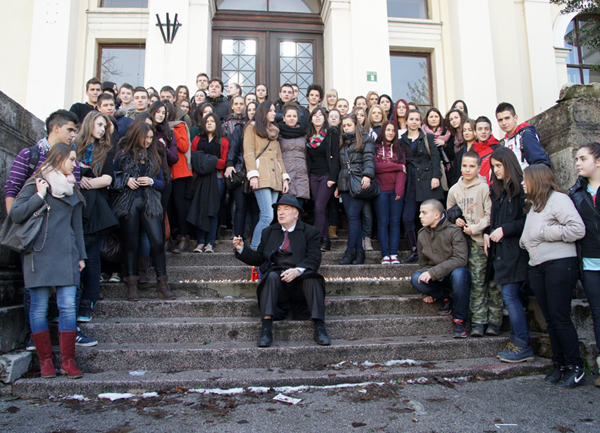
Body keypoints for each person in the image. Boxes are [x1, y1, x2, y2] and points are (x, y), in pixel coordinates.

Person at [4, 109, 94, 351]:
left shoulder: (71, 177)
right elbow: (13, 192)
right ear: (56, 128)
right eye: (71, 130)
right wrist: (23, 229)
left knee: (66, 302)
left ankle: (68, 350)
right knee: (37, 302)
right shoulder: (32, 158)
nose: (74, 135)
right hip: (37, 242)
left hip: (65, 247)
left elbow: (75, 220)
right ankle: (39, 346)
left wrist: (81, 255)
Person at [11, 143, 86, 379]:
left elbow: (77, 226)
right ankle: (45, 361)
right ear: (59, 158)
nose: (75, 165)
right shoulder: (36, 183)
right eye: (71, 159)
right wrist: (39, 196)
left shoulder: (72, 189)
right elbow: (16, 214)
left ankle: (68, 361)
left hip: (67, 253)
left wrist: (81, 255)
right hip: (38, 251)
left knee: (68, 305)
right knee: (39, 307)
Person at [233, 194, 330, 347]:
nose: (281, 213)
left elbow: (314, 258)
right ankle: (266, 329)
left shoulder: (310, 232)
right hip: (278, 286)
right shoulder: (268, 232)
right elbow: (260, 258)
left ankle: (320, 328)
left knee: (313, 278)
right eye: (279, 209)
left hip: (300, 285)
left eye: (286, 209)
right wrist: (241, 249)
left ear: (296, 213)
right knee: (270, 275)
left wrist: (298, 271)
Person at [520, 164, 585, 388]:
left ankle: (576, 367)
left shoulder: (559, 199)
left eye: (525, 179)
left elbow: (577, 229)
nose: (522, 183)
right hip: (537, 265)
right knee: (549, 319)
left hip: (559, 264)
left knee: (560, 317)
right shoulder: (534, 204)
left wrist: (542, 233)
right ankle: (560, 364)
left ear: (537, 180)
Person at [113, 122, 175, 301]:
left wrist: (152, 181)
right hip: (130, 201)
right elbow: (112, 178)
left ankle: (162, 284)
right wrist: (126, 180)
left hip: (151, 202)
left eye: (150, 138)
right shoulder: (123, 154)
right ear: (136, 135)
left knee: (157, 243)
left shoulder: (154, 156)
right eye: (145, 137)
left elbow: (163, 183)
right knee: (131, 244)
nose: (148, 141)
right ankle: (132, 285)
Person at [485, 147, 533, 362]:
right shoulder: (498, 191)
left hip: (516, 254)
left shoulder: (520, 189)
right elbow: (494, 222)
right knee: (509, 298)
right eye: (493, 166)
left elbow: (528, 221)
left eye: (499, 166)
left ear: (509, 164)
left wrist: (505, 230)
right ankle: (516, 342)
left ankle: (522, 344)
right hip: (500, 254)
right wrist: (489, 234)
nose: (495, 170)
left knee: (511, 298)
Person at [448, 151, 502, 337]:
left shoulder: (485, 188)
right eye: (465, 166)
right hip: (465, 244)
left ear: (479, 168)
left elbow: (490, 215)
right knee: (476, 282)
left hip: (484, 241)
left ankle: (495, 321)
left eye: (472, 166)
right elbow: (450, 214)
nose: (468, 169)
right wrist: (457, 221)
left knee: (492, 283)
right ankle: (479, 321)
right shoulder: (454, 189)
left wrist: (476, 228)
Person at [74, 111, 115, 322]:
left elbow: (108, 179)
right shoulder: (73, 147)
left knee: (91, 256)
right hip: (72, 206)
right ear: (89, 123)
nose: (102, 129)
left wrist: (84, 182)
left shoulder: (105, 150)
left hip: (95, 208)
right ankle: (70, 303)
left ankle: (87, 303)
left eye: (104, 126)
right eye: (99, 124)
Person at [410, 199, 470, 338]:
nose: (420, 216)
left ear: (437, 215)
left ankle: (459, 320)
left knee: (460, 274)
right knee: (415, 278)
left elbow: (461, 259)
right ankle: (446, 298)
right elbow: (422, 264)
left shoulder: (453, 231)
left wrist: (433, 272)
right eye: (420, 212)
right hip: (436, 278)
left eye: (424, 213)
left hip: (453, 276)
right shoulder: (422, 234)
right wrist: (426, 292)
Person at [569, 142, 600, 387]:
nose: (577, 163)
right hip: (589, 263)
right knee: (598, 315)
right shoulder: (576, 193)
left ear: (597, 161)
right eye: (576, 159)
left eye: (582, 158)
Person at [244, 101, 290, 250]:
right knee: (267, 216)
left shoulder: (274, 131)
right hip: (261, 176)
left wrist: (285, 178)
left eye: (274, 111)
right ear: (263, 112)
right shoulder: (251, 128)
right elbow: (249, 153)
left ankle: (262, 247)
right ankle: (254, 248)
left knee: (270, 217)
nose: (273, 113)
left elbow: (279, 158)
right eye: (270, 110)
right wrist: (253, 175)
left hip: (275, 178)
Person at [400, 109, 444, 263]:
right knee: (407, 217)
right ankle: (415, 251)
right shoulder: (402, 140)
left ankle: (434, 252)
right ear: (406, 121)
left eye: (417, 119)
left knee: (430, 217)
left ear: (420, 122)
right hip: (410, 182)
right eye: (411, 119)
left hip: (427, 180)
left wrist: (435, 177)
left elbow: (436, 159)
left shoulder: (428, 138)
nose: (414, 122)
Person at [334, 113, 375, 265]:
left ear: (356, 125)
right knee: (353, 218)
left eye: (349, 125)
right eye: (344, 125)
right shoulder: (343, 142)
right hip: (344, 183)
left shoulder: (365, 139)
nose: (346, 128)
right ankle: (360, 253)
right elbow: (340, 164)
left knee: (352, 216)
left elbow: (369, 159)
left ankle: (349, 251)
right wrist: (338, 185)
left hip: (359, 182)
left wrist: (367, 175)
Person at [189, 113, 229, 253]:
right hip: (200, 178)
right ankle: (200, 242)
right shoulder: (197, 139)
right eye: (207, 121)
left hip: (217, 178)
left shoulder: (223, 141)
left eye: (213, 121)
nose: (210, 123)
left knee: (213, 210)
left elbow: (224, 162)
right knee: (200, 208)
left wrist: (205, 161)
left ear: (217, 123)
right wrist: (211, 161)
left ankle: (210, 243)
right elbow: (193, 158)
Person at [225, 101, 259, 240]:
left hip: (258, 173)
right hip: (241, 171)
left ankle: (257, 242)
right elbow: (233, 147)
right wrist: (229, 164)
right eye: (249, 109)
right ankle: (238, 240)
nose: (251, 112)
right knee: (240, 207)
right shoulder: (240, 128)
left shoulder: (264, 129)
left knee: (256, 209)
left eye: (254, 109)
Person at [307, 107, 340, 252]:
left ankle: (317, 239)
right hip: (313, 175)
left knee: (319, 207)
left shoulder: (331, 133)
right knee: (321, 209)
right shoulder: (308, 135)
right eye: (315, 115)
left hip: (327, 175)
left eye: (321, 115)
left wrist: (333, 177)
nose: (318, 117)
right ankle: (326, 241)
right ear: (311, 118)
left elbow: (336, 156)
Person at [374, 120, 406, 265]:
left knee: (395, 223)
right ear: (383, 131)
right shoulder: (375, 148)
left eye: (393, 131)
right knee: (383, 222)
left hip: (396, 191)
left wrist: (399, 189)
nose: (390, 133)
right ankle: (385, 254)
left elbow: (403, 171)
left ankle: (394, 253)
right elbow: (377, 167)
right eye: (388, 130)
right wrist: (397, 166)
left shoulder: (400, 150)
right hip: (381, 190)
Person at [166, 102, 193, 254]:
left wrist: (172, 131)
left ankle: (184, 237)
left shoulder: (180, 126)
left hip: (179, 170)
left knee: (178, 203)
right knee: (167, 205)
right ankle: (169, 237)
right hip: (165, 171)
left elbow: (184, 146)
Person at [495, 102, 550, 170]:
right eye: (500, 120)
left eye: (507, 118)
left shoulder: (526, 135)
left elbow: (540, 163)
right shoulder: (505, 143)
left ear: (515, 118)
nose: (504, 123)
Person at [278, 104, 310, 208]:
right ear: (284, 118)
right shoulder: (278, 134)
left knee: (298, 210)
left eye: (294, 116)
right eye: (289, 116)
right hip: (285, 174)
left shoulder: (303, 134)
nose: (292, 118)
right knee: (286, 209)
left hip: (301, 175)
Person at [473, 116, 500, 184]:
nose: (483, 132)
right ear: (475, 132)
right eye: (480, 129)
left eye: (486, 129)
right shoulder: (471, 151)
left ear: (491, 131)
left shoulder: (498, 149)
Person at [445, 108, 469, 187]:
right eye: (451, 119)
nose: (454, 121)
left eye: (456, 118)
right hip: (456, 170)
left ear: (461, 118)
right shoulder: (451, 136)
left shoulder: (468, 134)